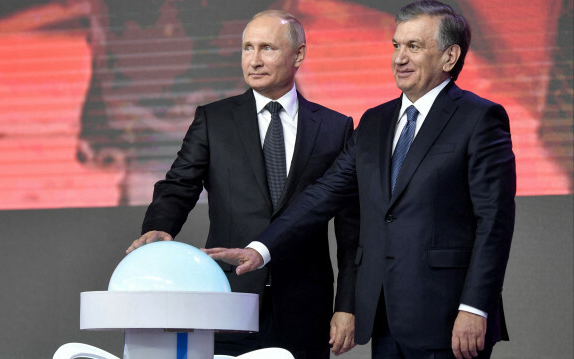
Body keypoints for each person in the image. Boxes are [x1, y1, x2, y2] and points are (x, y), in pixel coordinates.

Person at [205, 1, 516, 358]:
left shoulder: (480, 119)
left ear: (450, 56)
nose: (399, 58)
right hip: (385, 317)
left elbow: (494, 222)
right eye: (396, 45)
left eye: (414, 46)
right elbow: (322, 194)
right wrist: (259, 250)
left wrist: (475, 307)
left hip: (450, 319)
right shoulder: (374, 122)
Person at [126, 9, 360, 359]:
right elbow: (178, 185)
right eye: (247, 48)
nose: (254, 60)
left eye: (266, 48)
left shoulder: (335, 127)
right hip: (227, 298)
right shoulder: (213, 119)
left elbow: (352, 232)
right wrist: (159, 226)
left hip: (304, 306)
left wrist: (347, 306)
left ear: (299, 54)